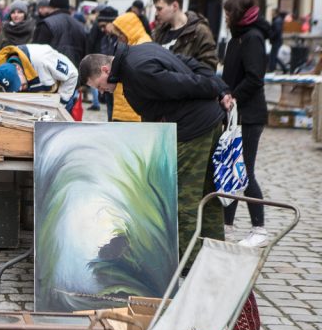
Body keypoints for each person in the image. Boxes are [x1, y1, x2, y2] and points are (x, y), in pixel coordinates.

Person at [79, 44, 231, 262]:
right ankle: (216, 260)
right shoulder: (140, 51)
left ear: (105, 70)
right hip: (207, 122)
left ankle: (191, 265)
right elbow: (190, 63)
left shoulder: (136, 70)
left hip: (193, 130)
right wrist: (221, 87)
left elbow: (185, 85)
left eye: (99, 86)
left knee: (183, 200)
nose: (101, 92)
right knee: (209, 196)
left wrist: (217, 88)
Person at [221, 0, 272, 247]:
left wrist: (233, 96)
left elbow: (254, 78)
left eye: (228, 13)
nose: (225, 18)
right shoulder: (236, 38)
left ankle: (259, 228)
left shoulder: (252, 38)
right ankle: (226, 226)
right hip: (235, 114)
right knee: (231, 170)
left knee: (245, 172)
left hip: (250, 115)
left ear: (238, 14)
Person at [0, 44, 79, 112]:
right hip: (34, 100)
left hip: (60, 93)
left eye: (18, 83)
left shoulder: (43, 59)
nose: (19, 89)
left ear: (18, 69)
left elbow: (72, 74)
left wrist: (60, 104)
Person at [152, 0, 218, 70]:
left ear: (175, 6)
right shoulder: (160, 31)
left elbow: (209, 68)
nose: (156, 13)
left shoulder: (200, 31)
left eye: (159, 9)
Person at [103, 11, 152, 122]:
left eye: (120, 34)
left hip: (131, 109)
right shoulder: (132, 43)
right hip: (125, 106)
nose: (119, 38)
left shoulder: (141, 44)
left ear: (127, 31)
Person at [32, 0, 87, 67]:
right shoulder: (80, 27)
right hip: (74, 70)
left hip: (50, 70)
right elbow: (85, 55)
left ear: (51, 7)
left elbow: (36, 52)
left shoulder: (46, 24)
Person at [88, 6, 118, 119]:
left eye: (104, 26)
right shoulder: (105, 39)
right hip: (109, 83)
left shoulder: (120, 39)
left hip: (117, 85)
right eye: (100, 26)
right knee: (110, 113)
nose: (102, 30)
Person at [268, 8, 286, 73]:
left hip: (276, 41)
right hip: (276, 40)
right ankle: (273, 68)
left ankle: (274, 68)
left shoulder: (277, 21)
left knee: (273, 55)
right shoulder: (277, 20)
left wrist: (271, 35)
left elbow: (277, 31)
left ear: (275, 13)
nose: (271, 14)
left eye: (272, 12)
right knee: (273, 55)